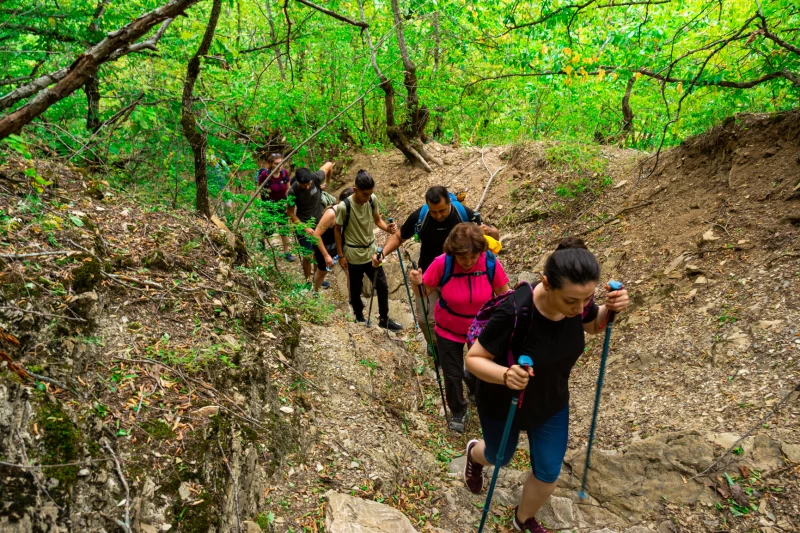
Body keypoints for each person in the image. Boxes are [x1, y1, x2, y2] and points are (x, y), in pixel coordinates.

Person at [462, 237, 629, 533]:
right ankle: (475, 453)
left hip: (550, 401)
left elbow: (592, 324)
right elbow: (474, 358)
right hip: (503, 401)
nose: (579, 309)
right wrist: (504, 375)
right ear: (547, 283)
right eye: (571, 301)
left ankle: (522, 519)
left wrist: (610, 309)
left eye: (587, 299)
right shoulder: (515, 311)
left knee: (549, 471)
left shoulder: (578, 303)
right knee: (498, 456)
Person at [411, 223, 509, 432]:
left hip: (482, 328)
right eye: (463, 257)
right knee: (451, 374)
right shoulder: (442, 263)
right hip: (448, 327)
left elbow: (503, 295)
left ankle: (475, 388)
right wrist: (416, 283)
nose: (468, 262)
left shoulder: (490, 262)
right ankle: (458, 411)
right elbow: (423, 293)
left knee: (481, 371)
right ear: (453, 252)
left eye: (473, 257)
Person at [380, 186, 499, 355]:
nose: (439, 215)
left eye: (442, 210)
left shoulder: (462, 213)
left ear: (450, 202)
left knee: (462, 313)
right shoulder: (421, 216)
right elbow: (399, 236)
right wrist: (382, 253)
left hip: (459, 275)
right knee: (424, 319)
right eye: (434, 211)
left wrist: (487, 231)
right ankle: (436, 345)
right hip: (429, 274)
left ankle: (467, 347)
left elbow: (493, 236)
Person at [334, 170, 402, 331]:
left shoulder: (372, 200)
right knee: (356, 289)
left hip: (372, 252)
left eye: (370, 194)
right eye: (364, 194)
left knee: (382, 286)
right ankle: (359, 317)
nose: (367, 198)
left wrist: (388, 228)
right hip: (353, 254)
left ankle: (384, 319)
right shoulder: (345, 206)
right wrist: (341, 256)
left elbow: (377, 219)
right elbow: (337, 230)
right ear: (355, 190)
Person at [286, 161, 334, 287]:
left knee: (318, 253)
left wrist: (327, 183)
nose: (307, 187)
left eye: (309, 184)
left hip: (319, 223)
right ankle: (307, 281)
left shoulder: (316, 177)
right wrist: (304, 227)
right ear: (297, 182)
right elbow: (290, 213)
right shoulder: (293, 191)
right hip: (303, 224)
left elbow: (329, 164)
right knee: (307, 255)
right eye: (304, 185)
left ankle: (317, 279)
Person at [310, 187, 353, 293]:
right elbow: (316, 235)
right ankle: (315, 292)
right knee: (322, 272)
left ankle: (353, 300)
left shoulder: (350, 212)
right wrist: (326, 256)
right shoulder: (331, 214)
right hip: (324, 247)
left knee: (350, 273)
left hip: (339, 246)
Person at [256, 152, 295, 262]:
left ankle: (287, 252)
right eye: (276, 163)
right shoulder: (265, 175)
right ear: (270, 164)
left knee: (283, 228)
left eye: (281, 163)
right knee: (268, 228)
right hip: (269, 204)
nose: (279, 165)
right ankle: (262, 241)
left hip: (281, 203)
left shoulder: (284, 173)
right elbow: (258, 190)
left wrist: (288, 201)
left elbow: (288, 188)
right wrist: (260, 205)